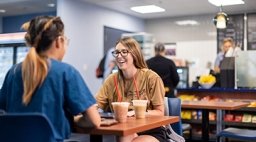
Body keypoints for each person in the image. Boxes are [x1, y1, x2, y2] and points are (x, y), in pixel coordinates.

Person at [0, 16, 100, 141]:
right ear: (59, 41)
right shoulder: (66, 72)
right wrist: (74, 120)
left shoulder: (13, 72)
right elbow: (94, 121)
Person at [96, 37, 167, 142]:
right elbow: (95, 104)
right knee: (123, 137)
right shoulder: (111, 80)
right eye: (116, 53)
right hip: (126, 128)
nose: (119, 56)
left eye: (124, 52)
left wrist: (136, 113)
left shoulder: (151, 78)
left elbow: (160, 112)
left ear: (134, 54)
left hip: (152, 130)